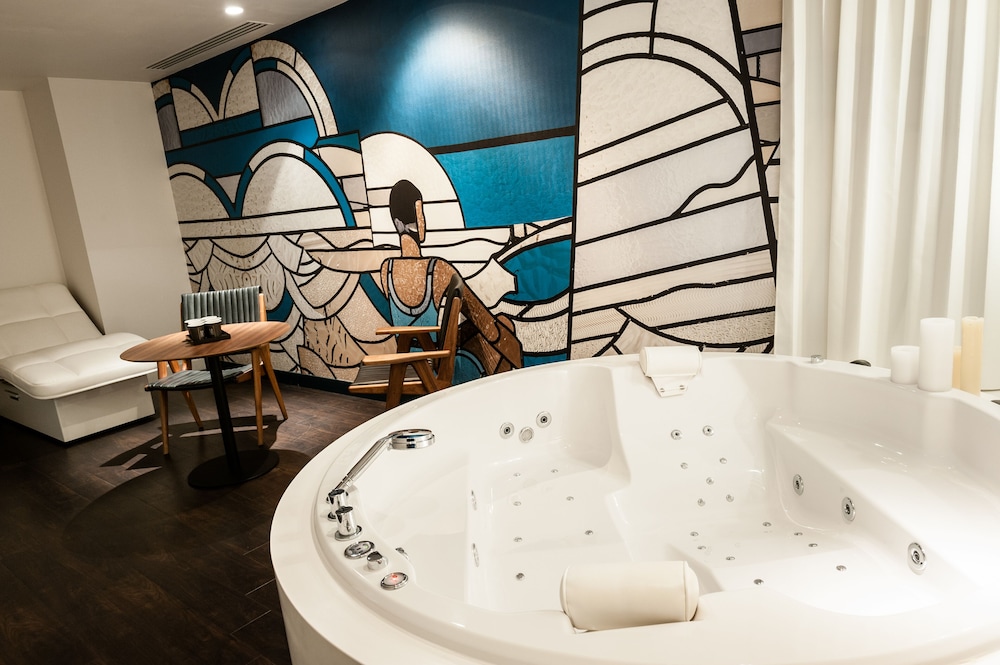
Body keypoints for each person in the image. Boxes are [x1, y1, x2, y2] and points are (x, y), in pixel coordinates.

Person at [380, 179, 522, 380]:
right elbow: (484, 322)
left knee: (488, 334)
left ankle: (502, 386)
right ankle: (517, 384)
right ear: (416, 217)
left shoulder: (385, 270)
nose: (424, 221)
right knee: (503, 327)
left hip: (409, 360)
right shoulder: (437, 269)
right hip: (432, 365)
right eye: (420, 214)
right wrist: (511, 347)